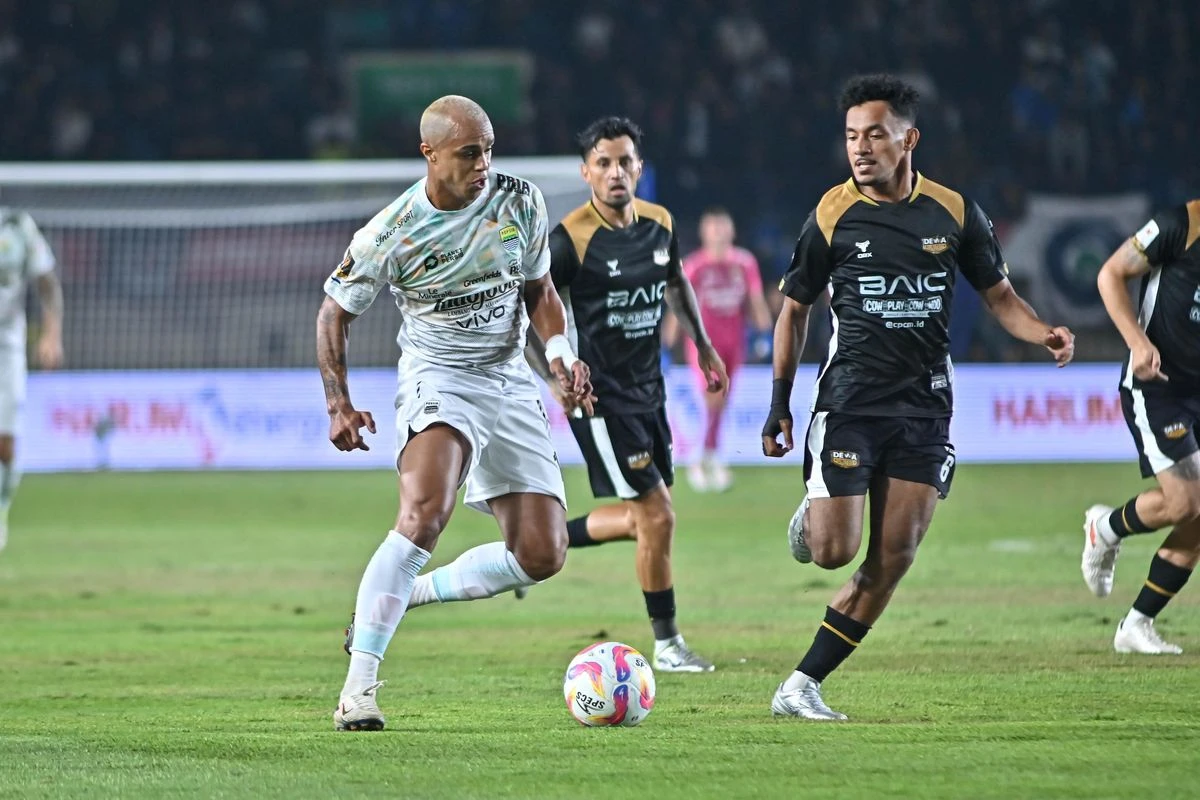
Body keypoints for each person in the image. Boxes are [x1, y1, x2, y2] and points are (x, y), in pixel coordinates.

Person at [761, 74, 1075, 720]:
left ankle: (801, 685)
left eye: (875, 134)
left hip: (925, 407)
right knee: (834, 551)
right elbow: (793, 310)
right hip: (849, 404)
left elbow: (1000, 297)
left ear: (909, 140)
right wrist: (778, 402)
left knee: (893, 558)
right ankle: (816, 513)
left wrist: (1043, 332)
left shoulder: (954, 212)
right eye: (851, 136)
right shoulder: (831, 214)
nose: (860, 148)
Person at [318, 95, 594, 732]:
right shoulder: (391, 232)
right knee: (424, 515)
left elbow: (540, 291)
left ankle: (407, 592)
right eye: (469, 154)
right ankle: (358, 690)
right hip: (440, 377)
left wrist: (559, 357)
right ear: (430, 154)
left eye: (489, 151)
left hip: (509, 377)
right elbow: (335, 311)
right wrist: (338, 403)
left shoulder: (520, 201)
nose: (483, 165)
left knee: (542, 554)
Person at [526, 116, 729, 673]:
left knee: (644, 519)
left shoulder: (661, 224)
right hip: (601, 400)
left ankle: (533, 549)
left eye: (624, 162)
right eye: (604, 163)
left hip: (650, 393)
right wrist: (554, 378)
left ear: (639, 167)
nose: (615, 172)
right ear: (586, 172)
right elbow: (525, 314)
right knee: (658, 516)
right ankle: (668, 645)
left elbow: (676, 283)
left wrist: (703, 345)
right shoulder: (569, 239)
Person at [1080, 200, 1200, 654]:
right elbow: (1110, 273)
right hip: (1159, 386)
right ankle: (1106, 527)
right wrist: (1137, 342)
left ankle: (1137, 625)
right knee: (1186, 502)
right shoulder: (1182, 223)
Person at [665, 207, 773, 492]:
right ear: (704, 233)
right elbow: (679, 305)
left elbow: (755, 299)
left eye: (723, 227)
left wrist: (765, 332)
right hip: (703, 344)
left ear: (732, 231)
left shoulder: (744, 263)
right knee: (712, 396)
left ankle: (709, 456)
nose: (719, 233)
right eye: (714, 228)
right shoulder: (694, 266)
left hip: (734, 342)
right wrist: (667, 344)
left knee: (722, 401)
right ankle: (701, 459)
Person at [0, 209, 64, 551]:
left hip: (6, 344)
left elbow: (47, 284)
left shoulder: (18, 227)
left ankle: (1, 506)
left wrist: (51, 335)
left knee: (5, 443)